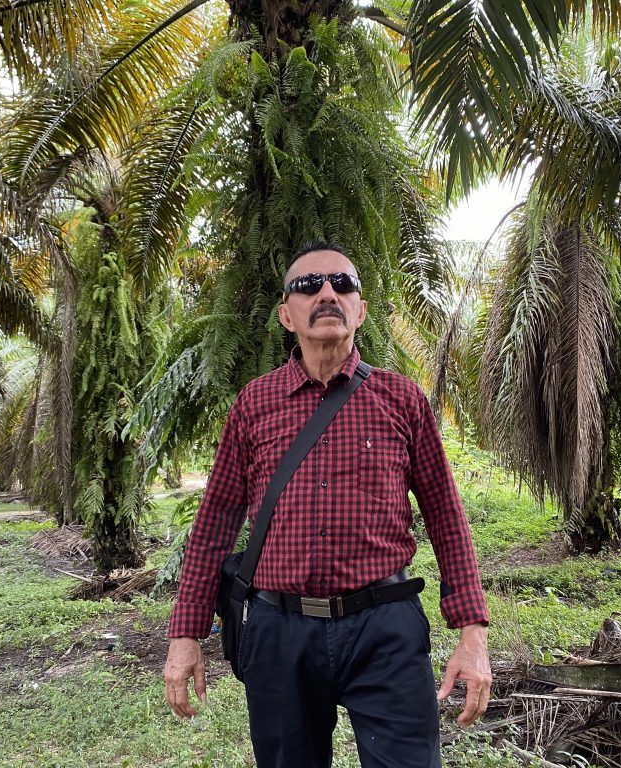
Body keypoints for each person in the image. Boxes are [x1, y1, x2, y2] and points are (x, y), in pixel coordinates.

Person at [164, 242, 491, 767]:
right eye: (307, 285)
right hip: (278, 632)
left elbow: (447, 518)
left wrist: (472, 634)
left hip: (384, 628)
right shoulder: (254, 404)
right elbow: (214, 524)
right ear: (285, 315)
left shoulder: (402, 399)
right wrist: (186, 634)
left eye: (342, 284)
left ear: (360, 310)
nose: (326, 293)